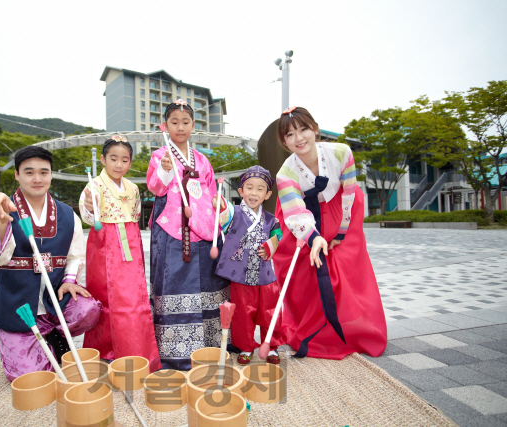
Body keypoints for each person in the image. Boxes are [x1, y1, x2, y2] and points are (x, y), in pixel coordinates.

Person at [0, 146, 102, 381]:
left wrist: (69, 280)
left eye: (44, 172)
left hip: (54, 300)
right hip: (19, 305)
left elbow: (75, 255)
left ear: (51, 175)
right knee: (30, 377)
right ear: (16, 174)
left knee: (89, 309)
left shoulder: (67, 214)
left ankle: (55, 334)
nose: (37, 179)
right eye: (29, 172)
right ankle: (30, 342)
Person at [273, 106, 387, 359]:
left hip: (341, 210)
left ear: (315, 129)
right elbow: (295, 213)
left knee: (345, 267)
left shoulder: (341, 152)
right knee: (302, 270)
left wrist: (341, 233)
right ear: (284, 141)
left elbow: (349, 194)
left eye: (303, 129)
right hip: (300, 215)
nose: (299, 138)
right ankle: (313, 328)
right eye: (290, 135)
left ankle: (354, 329)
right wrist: (314, 239)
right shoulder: (285, 173)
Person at [146, 99, 230, 370]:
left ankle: (209, 348)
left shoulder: (202, 159)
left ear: (193, 125)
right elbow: (156, 187)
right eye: (174, 122)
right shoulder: (161, 155)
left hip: (204, 229)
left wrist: (220, 206)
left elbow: (211, 193)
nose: (180, 127)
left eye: (185, 122)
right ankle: (176, 352)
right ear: (164, 126)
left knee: (207, 281)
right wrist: (166, 169)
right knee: (174, 281)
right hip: (172, 229)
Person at [79, 136, 161, 371]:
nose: (118, 164)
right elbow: (87, 215)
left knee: (133, 297)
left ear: (130, 162)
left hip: (131, 242)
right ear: (103, 159)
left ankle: (134, 348)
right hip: (104, 242)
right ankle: (106, 349)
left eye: (124, 160)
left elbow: (134, 215)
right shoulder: (93, 186)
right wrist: (89, 206)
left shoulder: (133, 188)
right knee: (104, 295)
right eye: (113, 159)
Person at [213, 166, 287, 365]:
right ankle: (245, 346)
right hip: (241, 274)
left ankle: (270, 346)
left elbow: (278, 236)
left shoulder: (271, 219)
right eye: (249, 188)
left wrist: (270, 246)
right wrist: (218, 203)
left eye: (260, 189)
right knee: (243, 313)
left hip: (265, 274)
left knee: (270, 311)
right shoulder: (234, 213)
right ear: (241, 191)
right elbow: (223, 210)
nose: (254, 193)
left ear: (268, 194)